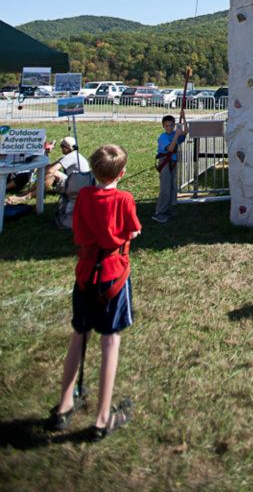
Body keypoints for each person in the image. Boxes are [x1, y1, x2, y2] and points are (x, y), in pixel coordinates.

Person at [48, 144, 141, 440]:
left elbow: (78, 229)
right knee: (110, 342)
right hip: (113, 276)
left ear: (92, 170)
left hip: (86, 275)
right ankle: (102, 418)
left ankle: (64, 405)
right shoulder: (125, 199)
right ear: (122, 173)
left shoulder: (85, 196)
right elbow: (134, 230)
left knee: (79, 334)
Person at [152, 114, 188, 224]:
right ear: (163, 126)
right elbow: (171, 148)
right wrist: (176, 136)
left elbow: (186, 131)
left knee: (172, 186)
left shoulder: (174, 133)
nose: (169, 128)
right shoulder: (163, 137)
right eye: (166, 126)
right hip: (165, 162)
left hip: (173, 162)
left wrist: (184, 117)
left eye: (171, 125)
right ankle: (159, 212)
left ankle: (167, 209)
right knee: (165, 187)